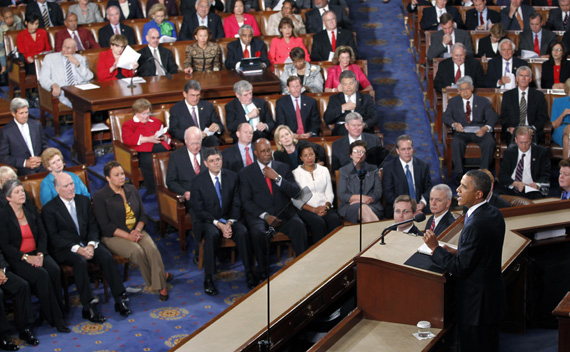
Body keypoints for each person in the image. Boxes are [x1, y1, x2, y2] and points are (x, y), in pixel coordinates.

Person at [424, 170, 506, 352]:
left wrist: (436, 248)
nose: (458, 190)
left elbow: (461, 268)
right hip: (491, 299)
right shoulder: (493, 213)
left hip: (476, 305)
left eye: (464, 187)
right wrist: (457, 250)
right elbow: (483, 250)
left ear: (478, 194)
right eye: (460, 184)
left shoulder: (476, 224)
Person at [42, 173, 131, 322]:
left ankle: (119, 298)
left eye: (71, 184)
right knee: (80, 262)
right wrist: (78, 249)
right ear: (57, 189)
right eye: (66, 186)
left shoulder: (83, 201)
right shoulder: (49, 209)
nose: (71, 188)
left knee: (106, 256)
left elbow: (92, 226)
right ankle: (87, 307)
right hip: (65, 249)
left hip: (87, 243)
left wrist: (90, 244)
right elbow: (54, 238)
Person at [93, 161, 172, 301]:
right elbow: (105, 226)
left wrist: (137, 230)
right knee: (137, 251)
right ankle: (160, 282)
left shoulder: (132, 190)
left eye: (122, 174)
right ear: (108, 178)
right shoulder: (100, 196)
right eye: (116, 175)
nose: (121, 177)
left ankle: (160, 281)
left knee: (152, 248)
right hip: (114, 235)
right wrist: (128, 236)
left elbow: (142, 215)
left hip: (135, 230)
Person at [0, 179, 70, 333]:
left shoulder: (29, 209)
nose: (21, 194)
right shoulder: (3, 216)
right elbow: (5, 246)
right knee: (42, 275)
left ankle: (54, 312)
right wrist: (26, 257)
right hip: (18, 258)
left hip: (37, 253)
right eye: (17, 192)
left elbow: (43, 234)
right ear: (8, 198)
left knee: (54, 270)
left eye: (22, 191)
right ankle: (56, 319)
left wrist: (40, 253)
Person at [190, 148, 257, 295]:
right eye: (212, 161)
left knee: (243, 232)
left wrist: (229, 222)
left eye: (218, 160)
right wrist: (218, 224)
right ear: (206, 163)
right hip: (209, 221)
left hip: (229, 218)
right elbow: (199, 210)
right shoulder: (197, 182)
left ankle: (249, 273)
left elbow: (237, 202)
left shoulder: (233, 177)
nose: (216, 163)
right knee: (212, 235)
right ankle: (209, 278)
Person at [239, 138, 308, 276]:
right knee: (258, 232)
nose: (266, 154)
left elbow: (296, 193)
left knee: (299, 226)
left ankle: (303, 265)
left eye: (269, 150)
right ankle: (263, 271)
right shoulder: (246, 173)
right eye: (262, 151)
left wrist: (277, 178)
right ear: (256, 153)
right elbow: (246, 201)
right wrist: (265, 216)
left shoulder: (282, 168)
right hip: (261, 216)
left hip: (283, 214)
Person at [442, 76, 498, 178]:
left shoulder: (483, 101)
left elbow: (493, 116)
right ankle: (459, 174)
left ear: (472, 88)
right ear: (458, 91)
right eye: (462, 89)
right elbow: (446, 116)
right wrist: (454, 124)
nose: (465, 92)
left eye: (467, 88)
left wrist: (485, 128)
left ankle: (483, 173)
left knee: (489, 142)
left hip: (479, 130)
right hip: (462, 131)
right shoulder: (453, 102)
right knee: (455, 142)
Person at [292, 143, 341, 243]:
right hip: (306, 209)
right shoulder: (295, 174)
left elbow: (330, 194)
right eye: (305, 155)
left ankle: (336, 250)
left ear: (315, 155)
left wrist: (326, 207)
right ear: (301, 157)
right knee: (318, 223)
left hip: (324, 206)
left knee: (334, 219)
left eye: (311, 154)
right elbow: (296, 200)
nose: (309, 158)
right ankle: (320, 254)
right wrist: (314, 210)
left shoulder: (324, 170)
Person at [122, 99, 172, 195]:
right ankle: (154, 191)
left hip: (160, 147)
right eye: (143, 114)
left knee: (173, 157)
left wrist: (164, 137)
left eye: (148, 113)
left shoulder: (156, 121)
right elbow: (127, 139)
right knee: (149, 162)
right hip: (143, 151)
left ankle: (170, 186)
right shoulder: (129, 124)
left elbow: (167, 135)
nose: (146, 116)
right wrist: (148, 139)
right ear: (136, 112)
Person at [383, 134, 432, 218]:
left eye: (409, 148)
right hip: (398, 208)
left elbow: (429, 188)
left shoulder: (423, 166)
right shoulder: (389, 167)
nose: (407, 152)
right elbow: (388, 194)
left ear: (412, 149)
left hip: (420, 207)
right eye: (403, 149)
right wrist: (408, 207)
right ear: (397, 151)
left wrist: (422, 203)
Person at [38, 38, 94, 109]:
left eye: (69, 48)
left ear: (75, 49)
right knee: (80, 104)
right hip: (63, 91)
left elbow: (89, 77)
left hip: (80, 91)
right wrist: (53, 85)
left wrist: (77, 64)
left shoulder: (80, 58)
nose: (66, 50)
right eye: (64, 47)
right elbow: (43, 78)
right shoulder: (50, 58)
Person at [497, 126, 550, 199]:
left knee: (537, 197)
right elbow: (502, 175)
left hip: (530, 189)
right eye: (521, 142)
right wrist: (515, 183)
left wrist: (537, 184)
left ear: (531, 139)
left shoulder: (541, 152)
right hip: (512, 187)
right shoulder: (508, 153)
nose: (524, 146)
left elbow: (545, 174)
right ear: (516, 140)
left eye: (527, 142)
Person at [337, 140, 383, 223]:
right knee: (363, 208)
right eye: (355, 151)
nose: (359, 154)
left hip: (372, 204)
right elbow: (342, 195)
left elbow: (378, 192)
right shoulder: (344, 171)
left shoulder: (373, 169)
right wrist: (362, 199)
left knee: (364, 209)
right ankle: (380, 234)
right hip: (350, 206)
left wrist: (365, 200)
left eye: (362, 151)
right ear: (351, 155)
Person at [0, 98, 49, 176]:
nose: (25, 116)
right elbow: (3, 157)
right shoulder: (6, 132)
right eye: (21, 113)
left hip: (40, 164)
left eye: (26, 112)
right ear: (13, 113)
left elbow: (45, 145)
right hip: (22, 168)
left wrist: (41, 158)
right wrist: (25, 163)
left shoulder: (36, 125)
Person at [500, 66, 548, 144]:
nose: (523, 78)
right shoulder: (507, 95)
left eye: (526, 76)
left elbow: (542, 116)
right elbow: (504, 116)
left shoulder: (539, 95)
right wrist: (510, 128)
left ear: (530, 79)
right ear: (517, 78)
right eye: (521, 75)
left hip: (531, 130)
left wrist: (533, 128)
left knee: (532, 146)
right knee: (513, 148)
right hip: (514, 130)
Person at [169, 80, 224, 147]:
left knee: (214, 141)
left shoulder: (207, 106)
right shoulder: (176, 109)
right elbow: (174, 131)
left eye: (198, 95)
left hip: (206, 139)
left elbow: (219, 124)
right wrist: (192, 134)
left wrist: (217, 127)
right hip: (188, 141)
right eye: (192, 95)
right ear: (184, 94)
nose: (195, 99)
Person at [323, 70, 376, 136]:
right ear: (341, 85)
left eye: (351, 84)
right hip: (342, 130)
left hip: (362, 129)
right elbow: (327, 119)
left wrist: (364, 125)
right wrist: (342, 108)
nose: (348, 87)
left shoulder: (366, 98)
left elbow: (374, 116)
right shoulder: (334, 99)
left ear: (355, 83)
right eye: (345, 84)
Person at [0, 8, 24, 76]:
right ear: (2, 18)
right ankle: (3, 67)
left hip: (18, 39)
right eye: (6, 18)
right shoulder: (1, 27)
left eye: (11, 17)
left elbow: (18, 34)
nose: (9, 20)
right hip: (4, 42)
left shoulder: (18, 20)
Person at [550, 78, 570, 159]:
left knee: (566, 140)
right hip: (560, 130)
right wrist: (563, 114)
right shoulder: (558, 101)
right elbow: (554, 126)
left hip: (567, 136)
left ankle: (566, 168)